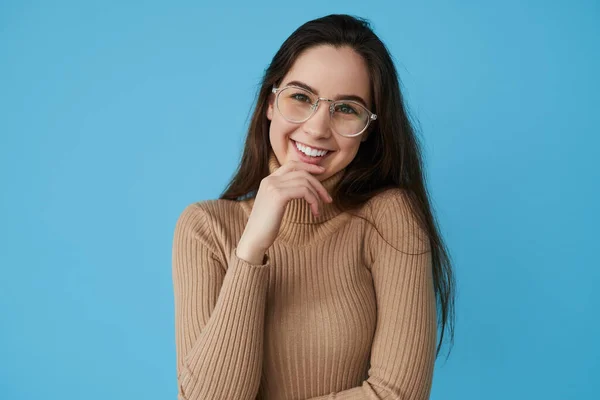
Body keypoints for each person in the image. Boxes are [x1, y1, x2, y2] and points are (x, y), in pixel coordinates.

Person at [171, 14, 455, 400]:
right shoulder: (205, 228)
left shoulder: (390, 219)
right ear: (271, 102)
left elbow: (398, 394)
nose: (318, 128)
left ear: (369, 128)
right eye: (301, 97)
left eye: (346, 108)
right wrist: (251, 249)